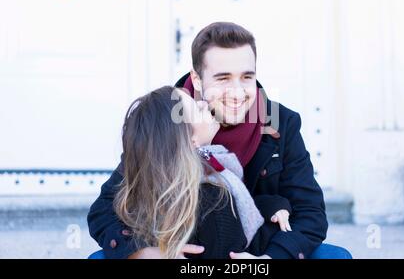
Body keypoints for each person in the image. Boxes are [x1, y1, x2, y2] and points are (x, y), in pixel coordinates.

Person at [88, 22, 352, 259]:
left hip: (260, 247)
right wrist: (145, 250)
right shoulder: (169, 121)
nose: (237, 93)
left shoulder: (279, 121)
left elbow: (311, 214)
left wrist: (269, 259)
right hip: (186, 250)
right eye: (223, 78)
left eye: (247, 77)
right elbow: (104, 211)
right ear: (197, 80)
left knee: (336, 257)